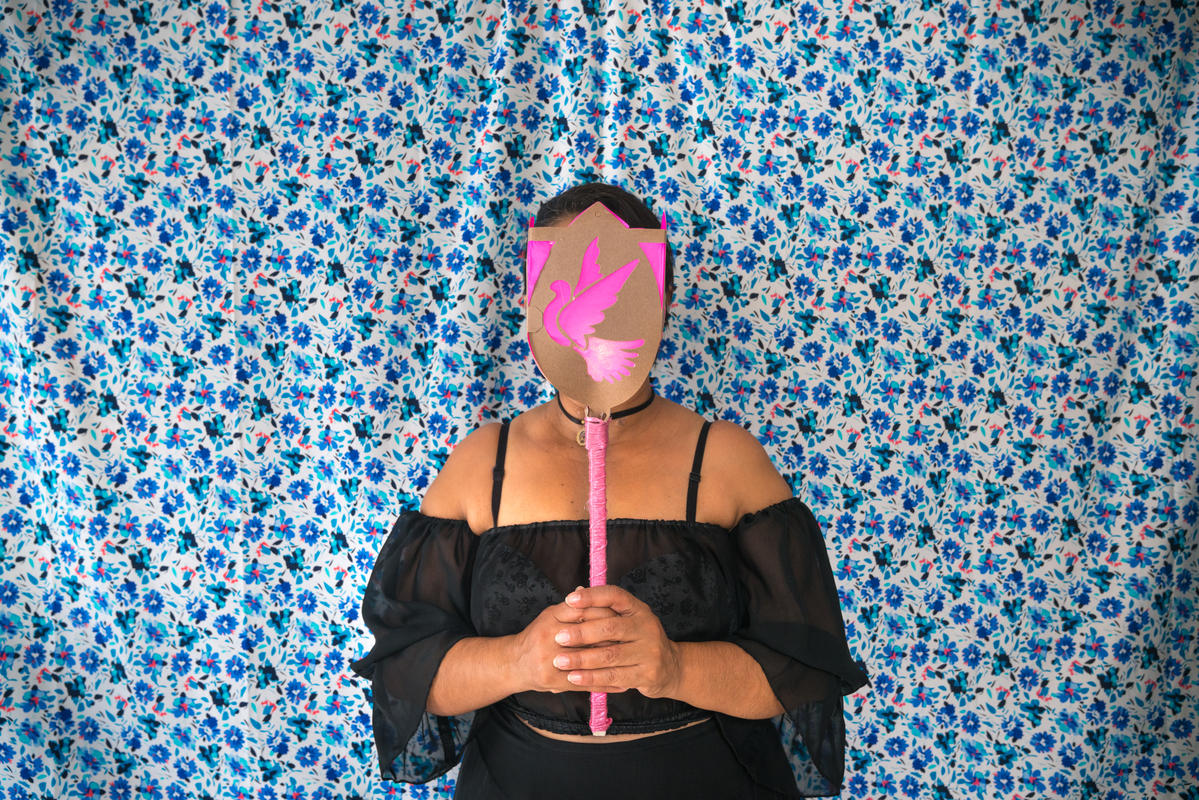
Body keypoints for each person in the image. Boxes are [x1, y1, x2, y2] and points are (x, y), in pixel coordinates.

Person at [350, 182, 870, 799]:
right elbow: (411, 672)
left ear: (661, 300)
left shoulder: (726, 460)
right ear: (532, 297)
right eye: (557, 277)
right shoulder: (481, 463)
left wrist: (675, 667)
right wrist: (519, 659)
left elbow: (801, 674)